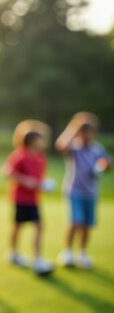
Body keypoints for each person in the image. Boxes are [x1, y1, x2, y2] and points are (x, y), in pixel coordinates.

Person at [56, 112, 111, 269]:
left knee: (87, 224)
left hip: (91, 192)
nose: (87, 135)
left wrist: (105, 166)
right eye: (83, 131)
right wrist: (74, 126)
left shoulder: (97, 148)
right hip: (74, 191)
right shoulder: (74, 147)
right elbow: (61, 145)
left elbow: (107, 163)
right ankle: (67, 253)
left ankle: (82, 253)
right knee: (75, 222)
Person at [2, 125, 55, 276]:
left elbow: (38, 179)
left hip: (34, 199)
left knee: (39, 226)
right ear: (32, 141)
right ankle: (13, 253)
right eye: (40, 139)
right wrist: (25, 180)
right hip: (20, 198)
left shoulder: (40, 157)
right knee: (18, 226)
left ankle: (37, 259)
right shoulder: (20, 155)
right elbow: (7, 171)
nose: (42, 142)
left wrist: (43, 185)